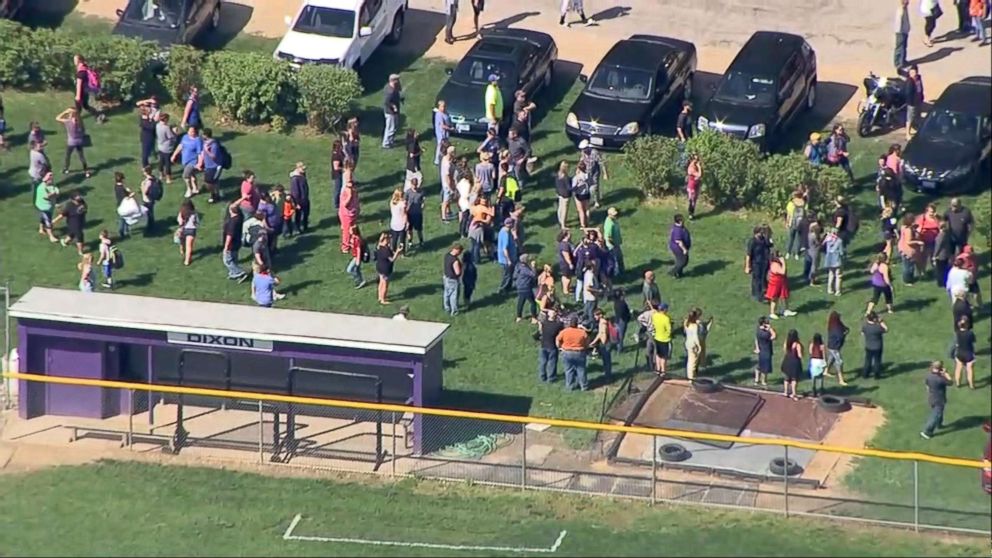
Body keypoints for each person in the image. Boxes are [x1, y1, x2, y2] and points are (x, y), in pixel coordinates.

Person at [920, 360, 952, 439]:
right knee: (936, 415)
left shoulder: (929, 376)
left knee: (938, 412)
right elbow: (950, 382)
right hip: (939, 399)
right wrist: (946, 374)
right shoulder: (940, 379)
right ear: (940, 368)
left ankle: (939, 425)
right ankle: (927, 432)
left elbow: (927, 386)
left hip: (931, 397)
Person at [557, 316, 590, 391]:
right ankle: (584, 386)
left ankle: (569, 387)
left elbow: (557, 340)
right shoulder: (582, 332)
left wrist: (560, 347)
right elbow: (587, 342)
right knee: (581, 369)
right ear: (577, 324)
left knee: (569, 370)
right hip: (579, 352)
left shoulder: (564, 331)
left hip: (567, 352)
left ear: (569, 324)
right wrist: (585, 347)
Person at [56, 108, 91, 178]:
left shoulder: (68, 122)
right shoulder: (80, 122)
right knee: (82, 157)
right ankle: (86, 171)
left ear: (70, 114)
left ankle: (66, 169)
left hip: (71, 142)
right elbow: (83, 130)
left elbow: (57, 118)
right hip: (79, 141)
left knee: (68, 156)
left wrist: (65, 111)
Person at [171, 126, 203, 199]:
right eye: (189, 131)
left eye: (192, 131)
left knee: (185, 175)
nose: (191, 133)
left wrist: (200, 163)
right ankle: (195, 188)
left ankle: (189, 189)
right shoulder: (185, 137)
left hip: (193, 161)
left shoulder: (197, 140)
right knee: (192, 175)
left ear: (195, 132)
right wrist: (174, 155)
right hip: (185, 160)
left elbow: (200, 153)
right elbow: (181, 146)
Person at [221, 202, 248, 282]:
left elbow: (229, 235)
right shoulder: (240, 217)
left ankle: (240, 272)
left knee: (227, 261)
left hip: (231, 244)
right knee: (234, 259)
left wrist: (226, 247)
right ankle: (233, 273)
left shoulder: (232, 222)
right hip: (237, 242)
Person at [72, 55, 105, 121]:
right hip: (85, 91)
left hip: (81, 91)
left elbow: (79, 84)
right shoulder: (85, 68)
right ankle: (98, 115)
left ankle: (75, 121)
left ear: (80, 60)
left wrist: (78, 96)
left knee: (78, 107)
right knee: (85, 105)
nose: (74, 61)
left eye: (75, 60)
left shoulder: (81, 71)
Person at [766, 251, 797, 319]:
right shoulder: (775, 264)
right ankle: (772, 312)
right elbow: (783, 272)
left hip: (781, 282)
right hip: (776, 284)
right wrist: (783, 262)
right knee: (775, 298)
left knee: (785, 296)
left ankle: (786, 310)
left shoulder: (777, 263)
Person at [745, 226, 771, 303]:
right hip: (756, 263)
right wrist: (747, 266)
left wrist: (768, 236)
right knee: (757, 279)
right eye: (760, 232)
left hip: (764, 262)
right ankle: (758, 295)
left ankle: (758, 292)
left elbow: (769, 245)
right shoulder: (752, 242)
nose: (762, 234)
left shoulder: (763, 239)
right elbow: (748, 255)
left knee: (762, 278)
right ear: (756, 233)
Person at [375, 232, 402, 305]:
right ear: (385, 240)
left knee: (381, 282)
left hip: (379, 267)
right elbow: (392, 259)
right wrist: (397, 252)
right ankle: (383, 299)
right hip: (385, 269)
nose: (390, 240)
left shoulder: (379, 246)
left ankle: (379, 297)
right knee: (385, 284)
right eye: (389, 239)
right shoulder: (385, 250)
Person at [34, 171, 60, 244]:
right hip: (43, 207)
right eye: (50, 179)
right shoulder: (41, 188)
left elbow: (57, 192)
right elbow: (46, 197)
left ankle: (41, 229)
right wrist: (53, 194)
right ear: (46, 180)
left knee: (43, 218)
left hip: (50, 207)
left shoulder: (52, 185)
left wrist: (53, 194)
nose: (51, 181)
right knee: (48, 221)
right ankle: (51, 237)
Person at [579, 140, 607, 209]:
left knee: (594, 188)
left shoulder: (594, 153)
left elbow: (602, 163)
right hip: (586, 172)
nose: (583, 150)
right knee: (587, 187)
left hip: (594, 173)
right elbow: (581, 160)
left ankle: (596, 201)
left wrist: (605, 173)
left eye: (584, 149)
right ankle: (588, 201)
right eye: (582, 149)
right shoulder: (583, 152)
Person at [825, 311, 850, 386]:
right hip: (834, 347)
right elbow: (840, 336)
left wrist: (846, 329)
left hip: (832, 346)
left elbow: (844, 328)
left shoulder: (834, 324)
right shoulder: (835, 328)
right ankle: (841, 379)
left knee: (831, 358)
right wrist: (845, 334)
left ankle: (826, 371)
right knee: (839, 362)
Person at [538, 309, 563, 383]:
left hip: (543, 345)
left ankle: (542, 376)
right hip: (552, 346)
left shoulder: (544, 323)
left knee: (543, 362)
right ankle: (551, 377)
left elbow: (540, 330)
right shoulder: (558, 325)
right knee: (552, 362)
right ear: (555, 315)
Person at [861, 311, 888, 379]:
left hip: (868, 346)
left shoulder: (865, 327)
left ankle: (865, 374)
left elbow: (862, 333)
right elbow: (886, 329)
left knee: (868, 361)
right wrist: (881, 321)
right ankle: (877, 375)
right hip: (877, 347)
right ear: (874, 319)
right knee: (877, 361)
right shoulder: (877, 328)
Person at [953, 317, 976, 388]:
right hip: (968, 353)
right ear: (967, 325)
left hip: (960, 353)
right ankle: (971, 385)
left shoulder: (957, 333)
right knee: (970, 369)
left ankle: (958, 383)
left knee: (958, 368)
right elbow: (973, 341)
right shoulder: (970, 333)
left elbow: (956, 343)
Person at [514, 254, 538, 323]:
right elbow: (533, 275)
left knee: (521, 302)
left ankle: (519, 317)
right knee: (533, 303)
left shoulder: (518, 266)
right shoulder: (525, 269)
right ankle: (534, 318)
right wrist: (533, 267)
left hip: (519, 287)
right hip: (526, 288)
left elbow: (515, 276)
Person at [591, 308, 613, 382]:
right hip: (604, 343)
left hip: (605, 344)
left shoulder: (603, 323)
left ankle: (608, 377)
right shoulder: (601, 321)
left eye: (596, 315)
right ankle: (607, 375)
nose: (595, 317)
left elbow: (601, 334)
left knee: (607, 361)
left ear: (600, 315)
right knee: (605, 361)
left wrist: (594, 342)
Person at [785, 189, 807, 260]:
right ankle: (797, 254)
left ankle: (788, 253)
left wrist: (787, 222)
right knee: (798, 239)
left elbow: (788, 214)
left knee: (791, 238)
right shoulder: (804, 203)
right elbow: (805, 214)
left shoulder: (791, 203)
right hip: (800, 223)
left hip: (792, 222)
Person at [338, 180, 360, 253]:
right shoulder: (344, 193)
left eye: (352, 186)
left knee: (353, 229)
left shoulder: (355, 192)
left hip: (353, 213)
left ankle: (352, 242)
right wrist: (349, 196)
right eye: (349, 187)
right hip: (346, 215)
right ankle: (345, 247)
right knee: (346, 231)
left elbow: (356, 202)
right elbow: (345, 204)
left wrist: (357, 210)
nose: (351, 188)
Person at [822, 226, 845, 296]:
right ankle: (838, 291)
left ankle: (830, 289)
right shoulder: (839, 241)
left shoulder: (828, 240)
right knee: (839, 276)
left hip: (829, 260)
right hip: (837, 260)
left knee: (831, 275)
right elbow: (841, 252)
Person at [404, 177, 426, 249]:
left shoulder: (421, 192)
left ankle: (421, 241)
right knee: (409, 230)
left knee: (419, 229)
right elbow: (405, 201)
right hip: (409, 213)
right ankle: (410, 242)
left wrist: (423, 204)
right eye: (413, 185)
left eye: (416, 185)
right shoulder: (408, 192)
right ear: (411, 184)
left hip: (418, 213)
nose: (415, 186)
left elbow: (423, 200)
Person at [496, 218, 517, 294]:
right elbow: (505, 248)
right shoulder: (505, 234)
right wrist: (508, 260)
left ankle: (508, 288)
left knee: (509, 274)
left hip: (509, 258)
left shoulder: (505, 231)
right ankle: (502, 289)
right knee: (507, 275)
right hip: (506, 260)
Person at [156, 113, 178, 184]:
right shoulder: (166, 127)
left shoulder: (157, 125)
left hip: (160, 146)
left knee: (161, 161)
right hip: (167, 147)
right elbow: (170, 137)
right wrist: (175, 133)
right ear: (165, 119)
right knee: (167, 163)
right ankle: (168, 178)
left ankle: (161, 175)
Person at [754, 316, 776, 386]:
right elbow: (774, 336)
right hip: (766, 350)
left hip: (761, 350)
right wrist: (770, 329)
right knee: (765, 367)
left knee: (760, 365)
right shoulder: (765, 333)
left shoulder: (758, 330)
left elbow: (756, 339)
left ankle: (757, 379)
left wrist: (757, 348)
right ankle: (764, 381)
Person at [652, 302, 672, 376]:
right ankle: (663, 371)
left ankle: (658, 369)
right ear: (664, 310)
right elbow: (669, 330)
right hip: (664, 339)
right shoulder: (666, 318)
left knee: (658, 354)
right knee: (664, 356)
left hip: (657, 338)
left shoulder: (655, 316)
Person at [781, 329, 803, 400]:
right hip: (794, 362)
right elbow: (800, 355)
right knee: (794, 379)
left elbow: (784, 350)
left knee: (786, 378)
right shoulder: (797, 344)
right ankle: (794, 394)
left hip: (787, 361)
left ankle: (785, 392)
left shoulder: (786, 342)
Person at [443, 243, 463, 316]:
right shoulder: (455, 260)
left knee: (446, 293)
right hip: (453, 280)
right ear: (456, 250)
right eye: (460, 251)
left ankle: (447, 307)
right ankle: (454, 311)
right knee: (454, 295)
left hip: (446, 277)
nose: (460, 253)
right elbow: (457, 272)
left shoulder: (447, 255)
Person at [904, 64, 924, 138]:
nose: (912, 74)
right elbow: (908, 93)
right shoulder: (909, 81)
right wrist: (910, 103)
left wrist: (921, 97)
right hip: (912, 103)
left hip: (919, 100)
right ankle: (907, 134)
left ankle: (918, 129)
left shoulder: (919, 78)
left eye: (914, 72)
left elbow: (921, 88)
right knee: (910, 118)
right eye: (911, 72)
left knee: (918, 116)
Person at [113, 172, 135, 239]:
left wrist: (127, 191)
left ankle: (126, 229)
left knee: (124, 217)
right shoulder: (122, 188)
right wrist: (131, 194)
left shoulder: (116, 186)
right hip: (124, 205)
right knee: (123, 219)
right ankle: (122, 231)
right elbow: (125, 197)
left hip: (119, 204)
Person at [382, 74, 402, 149]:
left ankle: (391, 141)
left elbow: (399, 90)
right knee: (390, 128)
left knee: (394, 127)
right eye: (397, 80)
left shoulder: (391, 87)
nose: (399, 81)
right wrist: (393, 106)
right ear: (393, 81)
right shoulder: (390, 91)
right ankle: (386, 143)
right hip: (390, 112)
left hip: (394, 112)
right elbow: (387, 102)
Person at [603, 208, 624, 276]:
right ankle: (617, 275)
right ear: (609, 215)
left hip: (616, 244)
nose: (616, 216)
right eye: (614, 215)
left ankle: (621, 272)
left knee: (619, 258)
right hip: (612, 245)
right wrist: (614, 244)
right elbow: (608, 237)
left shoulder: (613, 220)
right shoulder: (610, 224)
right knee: (615, 260)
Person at [176, 199, 198, 266]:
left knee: (182, 242)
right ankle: (187, 261)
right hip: (191, 230)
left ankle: (182, 251)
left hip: (184, 229)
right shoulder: (194, 213)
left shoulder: (182, 212)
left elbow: (179, 221)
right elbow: (197, 222)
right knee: (189, 246)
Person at [669, 214, 692, 279]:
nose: (684, 221)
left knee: (682, 260)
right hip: (679, 248)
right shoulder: (677, 230)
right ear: (680, 221)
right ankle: (673, 272)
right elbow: (679, 242)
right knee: (683, 262)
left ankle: (679, 273)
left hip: (679, 247)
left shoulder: (679, 227)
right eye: (682, 220)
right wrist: (684, 249)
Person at [345, 224, 367, 289]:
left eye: (350, 230)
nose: (349, 230)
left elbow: (358, 250)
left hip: (356, 257)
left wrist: (358, 260)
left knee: (349, 270)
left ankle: (360, 280)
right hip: (355, 256)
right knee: (357, 270)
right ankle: (361, 280)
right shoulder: (353, 237)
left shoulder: (357, 239)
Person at [933, 221, 953, 288]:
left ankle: (941, 283)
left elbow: (938, 246)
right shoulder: (947, 234)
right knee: (945, 269)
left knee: (940, 270)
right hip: (946, 254)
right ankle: (945, 281)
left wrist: (934, 255)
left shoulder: (940, 236)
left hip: (940, 255)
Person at [571, 161, 591, 228]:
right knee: (587, 209)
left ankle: (583, 225)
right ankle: (587, 222)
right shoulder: (588, 175)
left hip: (579, 195)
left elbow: (574, 188)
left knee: (581, 211)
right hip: (587, 193)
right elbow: (591, 182)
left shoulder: (576, 178)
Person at [611, 288, 631, 353]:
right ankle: (620, 349)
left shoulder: (616, 302)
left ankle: (618, 347)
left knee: (618, 335)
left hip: (617, 320)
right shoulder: (622, 303)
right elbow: (623, 312)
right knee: (621, 335)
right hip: (622, 320)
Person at [683, 309, 702, 380]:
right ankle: (691, 378)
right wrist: (699, 346)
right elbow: (695, 337)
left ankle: (690, 376)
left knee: (690, 361)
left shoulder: (686, 322)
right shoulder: (695, 326)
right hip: (693, 344)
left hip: (687, 342)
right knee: (693, 362)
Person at [581, 261, 601, 325]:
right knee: (591, 312)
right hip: (591, 297)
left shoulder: (587, 273)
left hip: (587, 296)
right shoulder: (590, 275)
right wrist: (598, 291)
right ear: (592, 267)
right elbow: (588, 288)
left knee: (586, 311)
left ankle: (584, 321)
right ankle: (592, 325)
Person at [440, 145, 456, 222]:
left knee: (448, 199)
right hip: (447, 185)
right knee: (445, 201)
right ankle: (444, 216)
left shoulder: (445, 158)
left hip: (446, 183)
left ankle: (448, 211)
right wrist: (450, 187)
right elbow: (447, 177)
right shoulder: (447, 164)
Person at [138, 105, 157, 169]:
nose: (150, 112)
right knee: (145, 153)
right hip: (146, 138)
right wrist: (155, 121)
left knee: (147, 152)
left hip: (149, 137)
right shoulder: (143, 121)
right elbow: (152, 127)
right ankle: (144, 165)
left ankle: (146, 163)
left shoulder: (146, 118)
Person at [804, 222, 822, 287]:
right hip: (815, 252)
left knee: (812, 265)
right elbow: (819, 244)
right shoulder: (815, 236)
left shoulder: (809, 234)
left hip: (810, 251)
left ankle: (812, 279)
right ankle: (812, 281)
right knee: (814, 266)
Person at [895, 0, 912, 71]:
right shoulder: (901, 11)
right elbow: (899, 23)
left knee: (904, 47)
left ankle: (903, 61)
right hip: (901, 32)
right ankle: (898, 64)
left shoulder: (905, 9)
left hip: (904, 31)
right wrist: (901, 32)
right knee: (900, 48)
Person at [685, 154, 702, 220]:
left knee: (694, 201)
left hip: (696, 185)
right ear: (692, 160)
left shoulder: (695, 166)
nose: (697, 161)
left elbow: (698, 177)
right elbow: (699, 175)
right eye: (695, 159)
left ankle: (692, 214)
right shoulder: (691, 168)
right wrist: (699, 167)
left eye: (697, 159)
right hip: (692, 186)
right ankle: (690, 214)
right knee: (691, 200)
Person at [330, 139, 345, 208]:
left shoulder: (339, 153)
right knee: (337, 189)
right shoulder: (336, 156)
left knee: (340, 188)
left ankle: (340, 201)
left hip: (340, 174)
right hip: (337, 175)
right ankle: (336, 203)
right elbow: (336, 167)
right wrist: (344, 169)